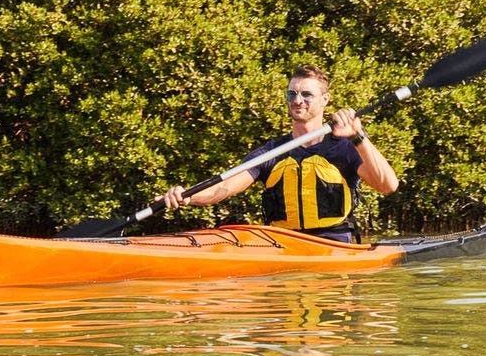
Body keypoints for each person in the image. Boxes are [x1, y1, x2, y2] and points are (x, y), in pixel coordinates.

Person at [162, 64, 398, 239]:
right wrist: (188, 195)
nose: (298, 100)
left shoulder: (343, 147)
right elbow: (224, 187)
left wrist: (358, 137)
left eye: (307, 94)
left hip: (334, 243)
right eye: (291, 94)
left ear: (325, 99)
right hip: (283, 243)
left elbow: (387, 185)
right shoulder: (272, 152)